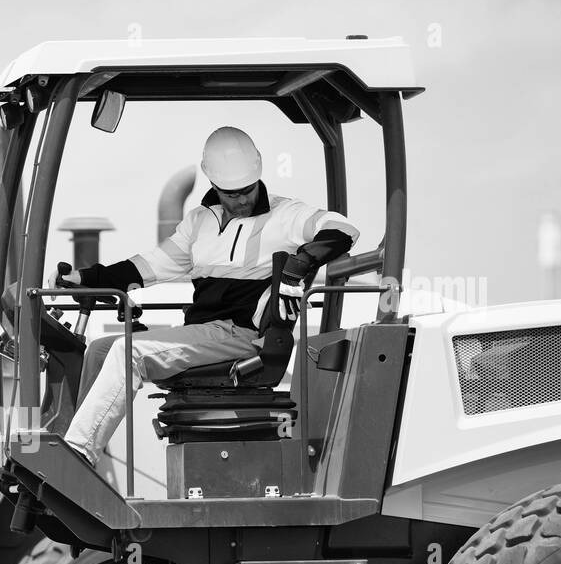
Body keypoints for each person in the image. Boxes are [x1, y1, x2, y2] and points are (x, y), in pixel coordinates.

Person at [54, 126, 359, 465]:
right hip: (204, 332)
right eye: (231, 193)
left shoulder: (286, 214)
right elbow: (149, 266)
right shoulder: (200, 222)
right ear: (213, 184)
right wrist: (86, 277)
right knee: (101, 349)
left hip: (242, 336)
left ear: (258, 175)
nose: (242, 199)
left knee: (129, 351)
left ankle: (77, 455)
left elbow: (343, 230)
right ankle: (68, 448)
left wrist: (299, 264)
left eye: (247, 190)